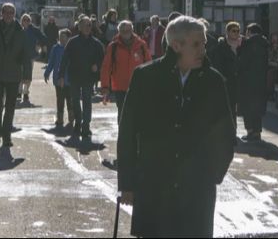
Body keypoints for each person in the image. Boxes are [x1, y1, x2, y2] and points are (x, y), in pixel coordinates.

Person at [117, 16, 236, 238]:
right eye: (196, 44)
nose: (203, 49)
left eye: (204, 43)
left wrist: (212, 175)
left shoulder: (214, 82)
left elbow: (226, 134)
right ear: (176, 45)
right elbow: (128, 133)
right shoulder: (145, 77)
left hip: (196, 188)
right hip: (154, 184)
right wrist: (127, 182)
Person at [0, 3, 32, 148]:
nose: (9, 15)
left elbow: (26, 54)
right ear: (2, 13)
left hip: (13, 74)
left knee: (10, 107)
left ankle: (7, 137)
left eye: (11, 12)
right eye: (6, 12)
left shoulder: (20, 31)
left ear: (14, 14)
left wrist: (27, 75)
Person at [58, 16, 105, 139]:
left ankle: (86, 126)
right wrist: (61, 76)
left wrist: (97, 65)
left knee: (87, 102)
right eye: (84, 25)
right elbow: (64, 59)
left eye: (89, 25)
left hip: (89, 78)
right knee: (75, 101)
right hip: (74, 76)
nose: (87, 28)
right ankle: (78, 122)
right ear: (79, 27)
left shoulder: (96, 43)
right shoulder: (72, 42)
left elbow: (103, 59)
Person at [100, 20, 151, 123]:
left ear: (132, 30)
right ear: (119, 31)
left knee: (137, 113)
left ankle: (136, 137)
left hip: (138, 86)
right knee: (123, 113)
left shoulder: (141, 45)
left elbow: (149, 65)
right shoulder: (113, 46)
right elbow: (106, 67)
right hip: (120, 87)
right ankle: (123, 138)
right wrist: (105, 87)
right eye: (123, 30)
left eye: (128, 30)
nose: (125, 32)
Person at [238, 22, 269, 143]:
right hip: (261, 81)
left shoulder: (248, 44)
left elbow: (243, 62)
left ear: (250, 32)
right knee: (257, 107)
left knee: (247, 107)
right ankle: (257, 132)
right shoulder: (264, 44)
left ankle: (250, 131)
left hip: (248, 81)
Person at [212, 22, 242, 140]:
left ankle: (233, 131)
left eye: (238, 31)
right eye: (233, 31)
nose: (236, 33)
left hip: (237, 82)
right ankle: (227, 131)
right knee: (226, 108)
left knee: (234, 108)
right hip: (226, 81)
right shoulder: (221, 46)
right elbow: (217, 64)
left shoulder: (242, 46)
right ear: (228, 32)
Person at [44, 29, 74, 129]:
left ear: (68, 37)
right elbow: (51, 62)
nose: (61, 38)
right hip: (58, 79)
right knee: (60, 99)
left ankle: (71, 116)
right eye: (60, 36)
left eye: (63, 36)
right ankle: (60, 118)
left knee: (70, 99)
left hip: (70, 79)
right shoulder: (55, 48)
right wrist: (47, 72)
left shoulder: (72, 48)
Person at [19, 14, 46, 105]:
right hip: (19, 56)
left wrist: (41, 47)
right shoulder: (18, 29)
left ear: (30, 21)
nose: (26, 21)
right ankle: (19, 92)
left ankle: (26, 93)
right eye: (24, 20)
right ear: (21, 21)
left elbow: (43, 38)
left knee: (28, 76)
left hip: (30, 56)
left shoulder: (34, 30)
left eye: (27, 20)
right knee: (19, 74)